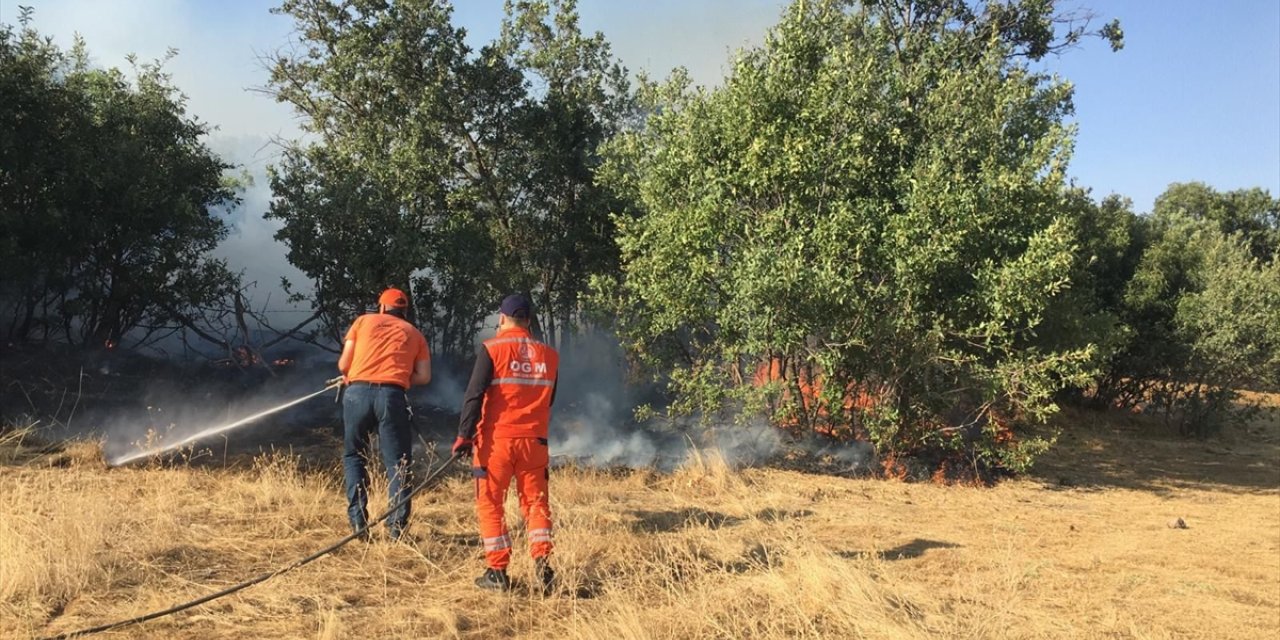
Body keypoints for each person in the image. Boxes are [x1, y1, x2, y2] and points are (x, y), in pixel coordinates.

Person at [453, 293, 560, 593]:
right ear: (529, 320)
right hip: (535, 442)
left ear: (501, 318)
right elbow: (550, 398)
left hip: (496, 441)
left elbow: (473, 395)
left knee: (490, 502)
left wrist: (464, 435)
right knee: (536, 502)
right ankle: (543, 567)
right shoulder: (549, 355)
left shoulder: (492, 348)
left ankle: (497, 572)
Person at [336, 287, 431, 541]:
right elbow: (424, 376)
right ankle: (395, 529)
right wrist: (397, 374)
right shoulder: (415, 334)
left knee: (354, 455)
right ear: (405, 311)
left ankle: (358, 523)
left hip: (356, 394)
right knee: (398, 464)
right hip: (392, 396)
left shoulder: (362, 322)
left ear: (380, 307)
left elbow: (344, 365)